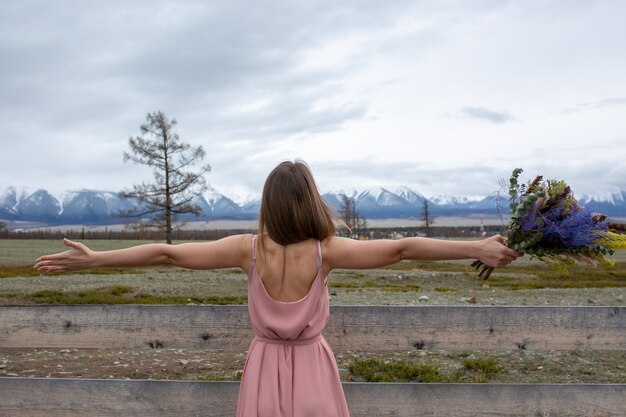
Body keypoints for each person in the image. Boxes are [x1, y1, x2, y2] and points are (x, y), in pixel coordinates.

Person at [34, 160, 519, 417]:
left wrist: (96, 258)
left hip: (265, 366)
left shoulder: (246, 248)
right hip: (311, 364)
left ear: (268, 203)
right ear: (311, 200)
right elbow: (403, 248)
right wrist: (473, 247)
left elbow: (166, 252)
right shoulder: (328, 249)